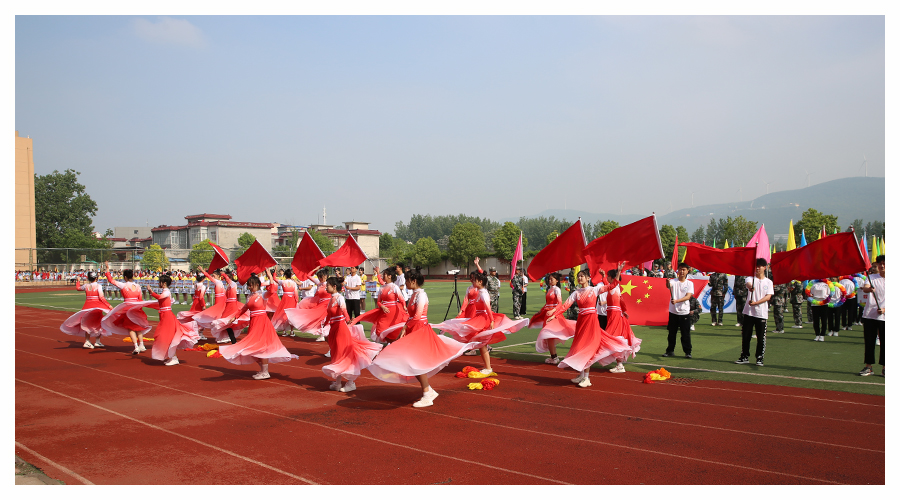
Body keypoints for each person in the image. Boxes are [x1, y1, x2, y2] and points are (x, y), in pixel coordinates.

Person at [368, 268, 477, 407]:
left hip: (420, 330)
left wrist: (405, 327)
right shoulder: (414, 295)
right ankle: (428, 391)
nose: (405, 283)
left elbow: (418, 316)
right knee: (413, 361)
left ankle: (427, 393)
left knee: (416, 362)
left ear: (413, 281)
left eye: (407, 280)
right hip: (413, 329)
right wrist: (405, 327)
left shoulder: (421, 296)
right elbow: (411, 316)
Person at [545, 265, 630, 387]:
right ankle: (581, 375)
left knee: (588, 348)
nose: (579, 278)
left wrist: (619, 272)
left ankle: (587, 378)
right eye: (578, 276)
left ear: (588, 278)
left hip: (591, 322)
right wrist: (554, 315)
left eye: (582, 276)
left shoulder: (594, 290)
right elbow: (565, 306)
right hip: (581, 323)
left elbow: (611, 286)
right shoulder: (576, 293)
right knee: (579, 348)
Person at [431, 269, 528, 375]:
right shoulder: (479, 292)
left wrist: (491, 321)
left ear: (480, 282)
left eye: (475, 280)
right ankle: (487, 366)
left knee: (480, 343)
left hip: (483, 320)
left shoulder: (483, 293)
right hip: (479, 318)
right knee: (478, 342)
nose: (473, 282)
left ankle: (488, 367)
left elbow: (487, 308)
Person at [219, 274, 298, 379]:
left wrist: (270, 276)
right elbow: (244, 309)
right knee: (253, 348)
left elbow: (273, 289)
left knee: (261, 347)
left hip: (262, 322)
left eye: (251, 285)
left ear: (257, 284)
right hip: (253, 323)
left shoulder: (263, 294)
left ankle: (265, 372)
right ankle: (263, 370)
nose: (249, 287)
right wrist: (235, 317)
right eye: (248, 285)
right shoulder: (249, 296)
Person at [321, 276, 383, 392]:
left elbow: (344, 311)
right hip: (334, 329)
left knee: (344, 354)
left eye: (328, 285)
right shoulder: (331, 299)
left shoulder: (340, 298)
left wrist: (349, 320)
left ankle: (351, 382)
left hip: (340, 328)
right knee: (335, 354)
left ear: (334, 287)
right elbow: (329, 315)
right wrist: (325, 324)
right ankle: (338, 383)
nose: (326, 287)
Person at [144, 274, 200, 366]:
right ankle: (171, 357)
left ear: (164, 283)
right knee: (165, 336)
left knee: (168, 336)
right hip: (164, 316)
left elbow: (159, 298)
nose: (159, 283)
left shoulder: (166, 292)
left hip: (167, 317)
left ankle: (174, 357)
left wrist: (151, 291)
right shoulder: (164, 291)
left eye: (160, 282)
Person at [101, 263, 152, 354]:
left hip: (127, 307)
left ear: (125, 277)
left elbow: (111, 280)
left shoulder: (123, 285)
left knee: (131, 328)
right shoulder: (138, 286)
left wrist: (107, 269)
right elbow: (140, 298)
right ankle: (142, 345)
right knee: (138, 327)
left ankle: (136, 346)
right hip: (136, 308)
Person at [350, 266, 409, 343]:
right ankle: (388, 342)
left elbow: (401, 299)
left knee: (394, 329)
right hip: (384, 311)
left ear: (389, 276)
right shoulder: (382, 288)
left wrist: (404, 306)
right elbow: (378, 301)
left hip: (394, 311)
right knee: (380, 329)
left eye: (384, 274)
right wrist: (382, 306)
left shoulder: (395, 287)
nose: (383, 276)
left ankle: (392, 343)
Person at [60, 270, 112, 349]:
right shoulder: (98, 286)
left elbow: (78, 288)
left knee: (88, 324)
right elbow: (101, 298)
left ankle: (89, 341)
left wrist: (78, 281)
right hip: (96, 307)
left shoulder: (86, 286)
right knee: (100, 323)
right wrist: (109, 306)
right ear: (96, 278)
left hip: (87, 306)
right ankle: (94, 341)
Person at [735, 259, 773, 366]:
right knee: (746, 336)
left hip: (761, 313)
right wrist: (751, 287)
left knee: (761, 337)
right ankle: (744, 356)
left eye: (760, 266)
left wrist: (756, 302)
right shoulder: (751, 278)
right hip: (749, 312)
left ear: (764, 267)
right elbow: (748, 284)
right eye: (756, 266)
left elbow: (768, 296)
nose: (757, 268)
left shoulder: (768, 282)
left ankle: (759, 358)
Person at [603, 267, 641, 373]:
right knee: (616, 339)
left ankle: (619, 364)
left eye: (608, 276)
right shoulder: (615, 288)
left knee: (613, 338)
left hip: (615, 316)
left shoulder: (614, 287)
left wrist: (618, 272)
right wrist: (624, 310)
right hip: (614, 314)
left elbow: (620, 299)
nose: (606, 278)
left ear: (612, 278)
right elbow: (622, 301)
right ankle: (619, 364)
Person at [532, 272, 575, 365]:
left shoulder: (557, 290)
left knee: (549, 336)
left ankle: (554, 357)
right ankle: (554, 356)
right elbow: (547, 303)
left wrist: (552, 311)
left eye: (552, 279)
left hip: (553, 315)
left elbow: (560, 303)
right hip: (548, 314)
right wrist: (540, 311)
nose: (550, 280)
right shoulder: (549, 289)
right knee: (548, 337)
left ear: (557, 280)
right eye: (549, 279)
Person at [285, 267, 332, 342]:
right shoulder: (318, 282)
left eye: (321, 277)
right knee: (319, 319)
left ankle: (326, 335)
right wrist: (316, 268)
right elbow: (308, 275)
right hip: (320, 303)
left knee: (325, 319)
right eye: (319, 277)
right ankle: (323, 335)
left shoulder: (329, 283)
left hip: (328, 303)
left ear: (325, 276)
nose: (319, 278)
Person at [858, 255, 884, 376]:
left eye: (884, 264)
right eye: (880, 264)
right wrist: (869, 289)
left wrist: (884, 309)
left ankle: (885, 367)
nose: (882, 266)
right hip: (869, 315)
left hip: (885, 316)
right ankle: (868, 367)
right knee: (869, 341)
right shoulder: (871, 277)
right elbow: (866, 288)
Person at [663, 263, 695, 358]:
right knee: (672, 333)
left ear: (687, 271)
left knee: (685, 334)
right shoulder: (674, 281)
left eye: (684, 269)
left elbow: (688, 296)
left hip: (684, 312)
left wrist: (677, 301)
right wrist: (667, 282)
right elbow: (668, 285)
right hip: (673, 312)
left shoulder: (689, 283)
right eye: (680, 269)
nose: (682, 271)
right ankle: (670, 351)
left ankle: (688, 352)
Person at [191, 266, 230, 343]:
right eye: (213, 276)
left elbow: (225, 293)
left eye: (214, 276)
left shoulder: (219, 282)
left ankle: (221, 336)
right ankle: (220, 337)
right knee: (217, 319)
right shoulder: (219, 283)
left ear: (219, 276)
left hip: (221, 303)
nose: (213, 277)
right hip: (219, 303)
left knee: (219, 320)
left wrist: (202, 270)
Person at [268, 268, 300, 336]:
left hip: (285, 299)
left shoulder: (283, 282)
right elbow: (296, 293)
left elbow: (274, 279)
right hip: (292, 299)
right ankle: (291, 331)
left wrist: (275, 272)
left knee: (283, 314)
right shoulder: (293, 283)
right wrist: (296, 301)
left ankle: (284, 331)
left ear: (285, 275)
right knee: (291, 315)